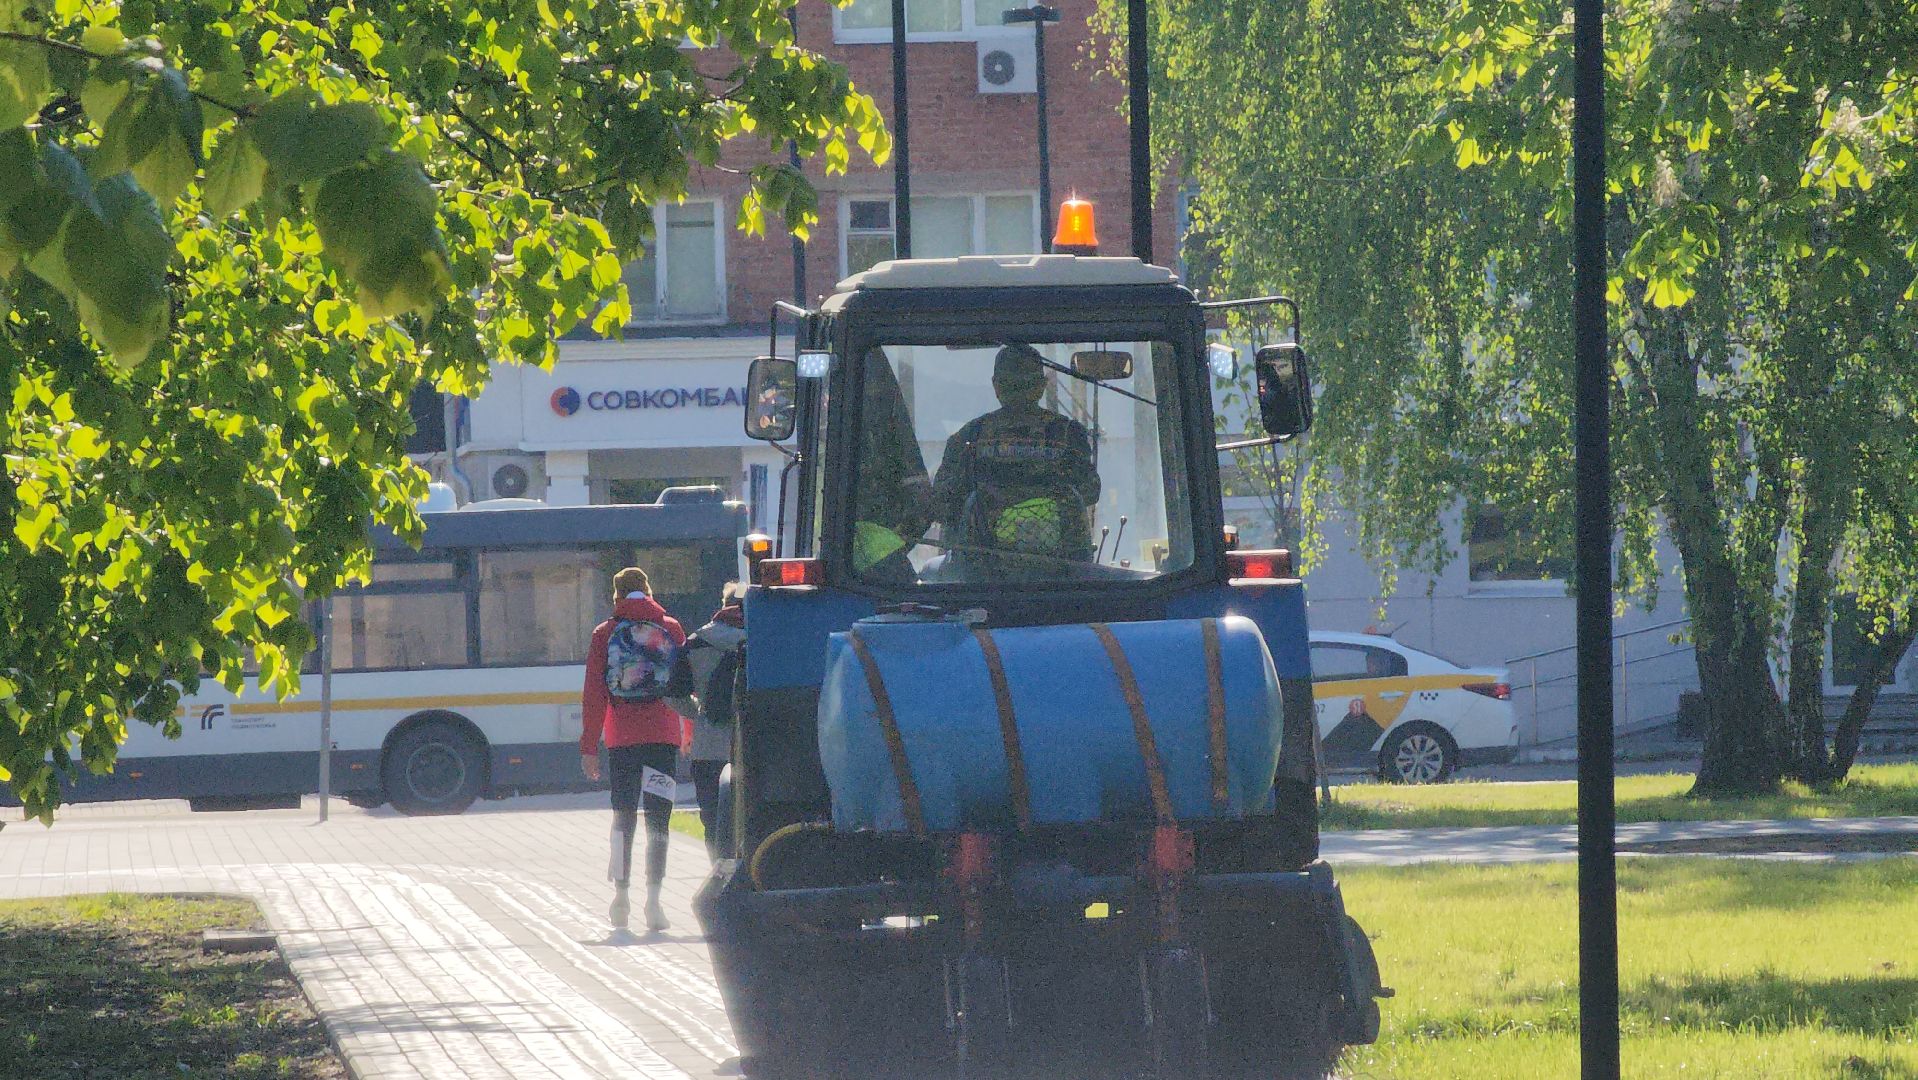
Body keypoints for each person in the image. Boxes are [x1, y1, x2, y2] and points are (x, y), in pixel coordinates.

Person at [581, 566, 687, 934]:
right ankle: (654, 902)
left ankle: (621, 898)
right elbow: (684, 686)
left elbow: (594, 694)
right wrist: (687, 731)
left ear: (617, 594)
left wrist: (589, 746)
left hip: (622, 741)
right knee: (659, 819)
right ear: (648, 589)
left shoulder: (604, 633)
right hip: (662, 738)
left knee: (623, 817)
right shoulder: (671, 628)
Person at [932, 343, 1102, 563]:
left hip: (981, 572)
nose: (1020, 392)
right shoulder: (1069, 434)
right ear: (1042, 386)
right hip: (1064, 571)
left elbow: (943, 503)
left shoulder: (969, 437)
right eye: (1015, 385)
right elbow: (1090, 491)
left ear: (996, 385)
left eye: (1024, 384)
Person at [671, 584, 745, 860]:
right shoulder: (764, 639)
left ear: (723, 604)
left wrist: (700, 714)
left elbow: (672, 693)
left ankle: (717, 868)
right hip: (753, 745)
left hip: (708, 748)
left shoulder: (695, 641)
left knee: (713, 818)